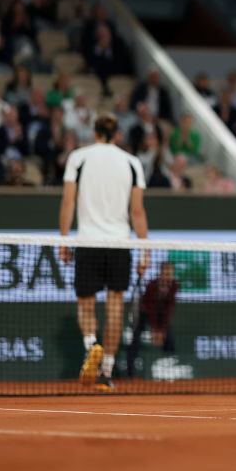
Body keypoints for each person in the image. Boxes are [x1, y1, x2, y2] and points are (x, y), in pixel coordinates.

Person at [58, 113, 150, 391]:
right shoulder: (132, 162)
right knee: (114, 307)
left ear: (95, 133)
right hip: (120, 244)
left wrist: (63, 240)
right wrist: (145, 251)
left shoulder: (78, 157)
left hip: (88, 242)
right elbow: (137, 212)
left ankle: (91, 345)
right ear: (116, 134)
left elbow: (68, 201)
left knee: (85, 304)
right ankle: (106, 372)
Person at [126, 261, 179, 378]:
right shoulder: (152, 285)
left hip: (161, 314)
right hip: (145, 312)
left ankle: (170, 364)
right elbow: (151, 309)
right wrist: (155, 330)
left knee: (169, 335)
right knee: (135, 338)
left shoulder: (174, 286)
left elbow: (169, 309)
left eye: (170, 273)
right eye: (165, 272)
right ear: (160, 273)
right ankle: (130, 372)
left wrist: (162, 330)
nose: (168, 275)